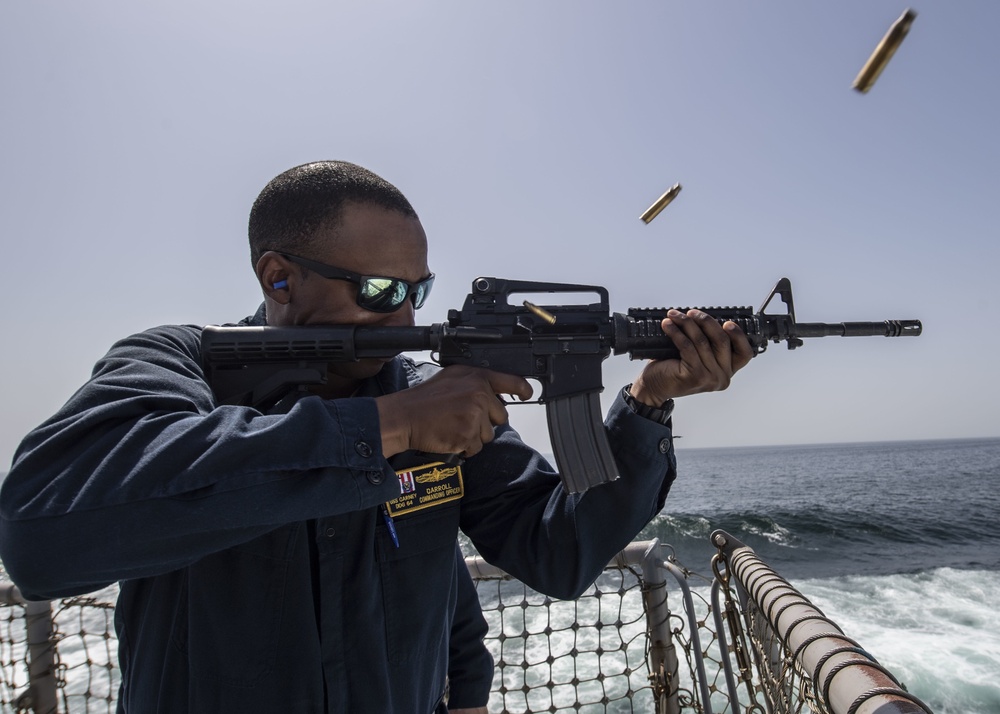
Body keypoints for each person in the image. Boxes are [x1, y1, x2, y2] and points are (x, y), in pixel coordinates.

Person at [0, 161, 753, 713]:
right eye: (379, 293)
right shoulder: (179, 362)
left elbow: (556, 550)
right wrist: (383, 430)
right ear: (279, 278)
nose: (403, 321)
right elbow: (42, 537)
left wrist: (648, 403)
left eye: (416, 292)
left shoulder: (426, 395)